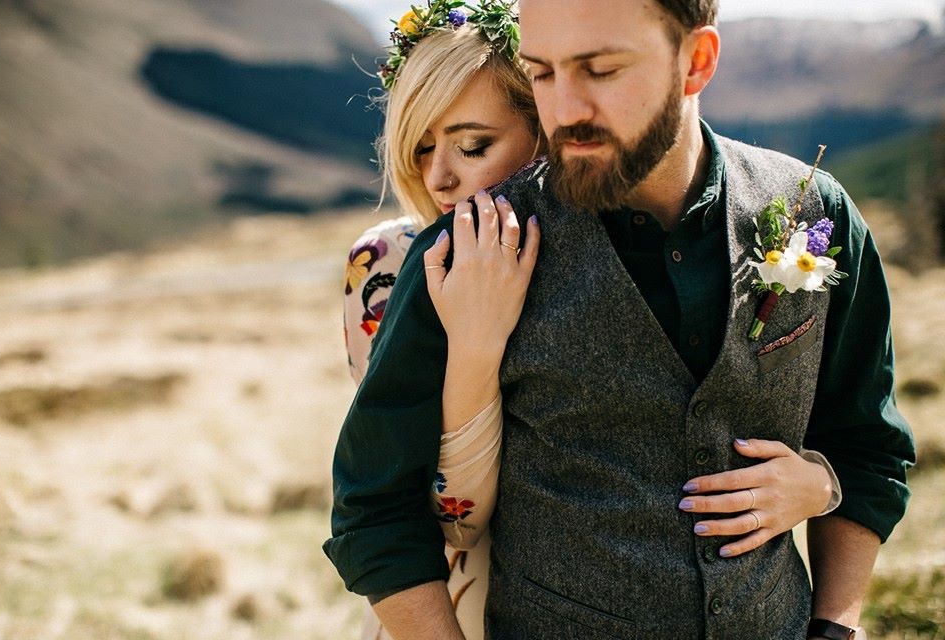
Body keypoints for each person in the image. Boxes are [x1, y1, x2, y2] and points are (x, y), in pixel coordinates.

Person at [328, 0, 911, 638]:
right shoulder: (460, 258)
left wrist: (835, 625)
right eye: (543, 74)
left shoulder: (815, 212)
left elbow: (865, 447)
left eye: (600, 70)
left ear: (697, 61)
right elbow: (377, 510)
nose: (565, 111)